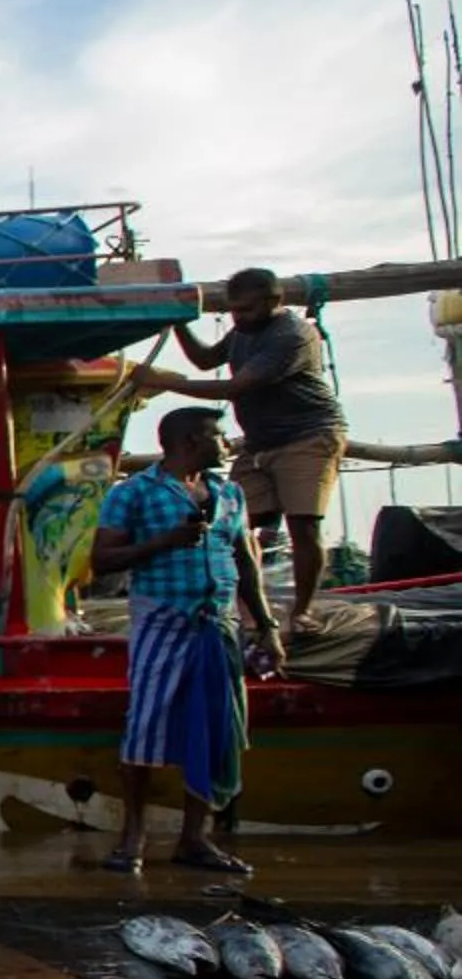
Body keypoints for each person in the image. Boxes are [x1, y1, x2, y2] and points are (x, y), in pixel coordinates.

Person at [90, 406, 279, 878]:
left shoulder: (229, 494)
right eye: (219, 435)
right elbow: (103, 559)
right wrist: (167, 541)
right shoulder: (134, 493)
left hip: (220, 622)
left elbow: (246, 563)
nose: (227, 442)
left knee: (215, 729)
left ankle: (195, 838)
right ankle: (133, 834)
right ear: (192, 440)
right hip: (163, 619)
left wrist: (268, 625)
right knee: (146, 724)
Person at [141, 268, 346, 630]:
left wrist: (164, 383)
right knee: (235, 524)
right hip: (260, 441)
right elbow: (205, 360)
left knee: (304, 525)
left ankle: (303, 611)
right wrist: (178, 323)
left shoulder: (292, 336)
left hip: (308, 435)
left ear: (274, 302)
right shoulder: (244, 330)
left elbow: (236, 387)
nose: (239, 318)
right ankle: (252, 611)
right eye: (233, 310)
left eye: (247, 310)